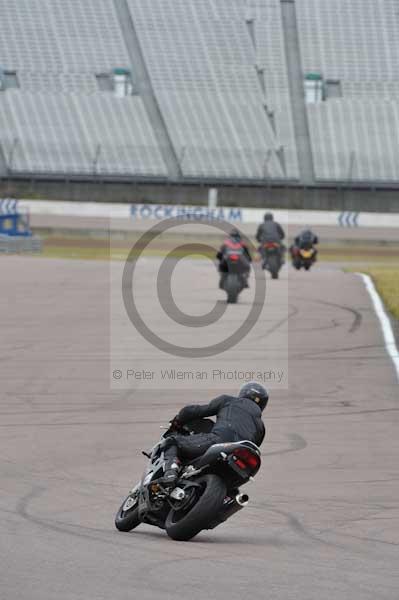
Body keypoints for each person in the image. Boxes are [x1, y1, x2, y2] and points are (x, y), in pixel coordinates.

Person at [160, 382, 269, 487]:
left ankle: (170, 472)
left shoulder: (228, 400)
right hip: (242, 456)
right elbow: (255, 447)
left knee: (172, 442)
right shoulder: (261, 427)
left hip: (220, 440)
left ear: (243, 393)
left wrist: (177, 421)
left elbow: (192, 411)